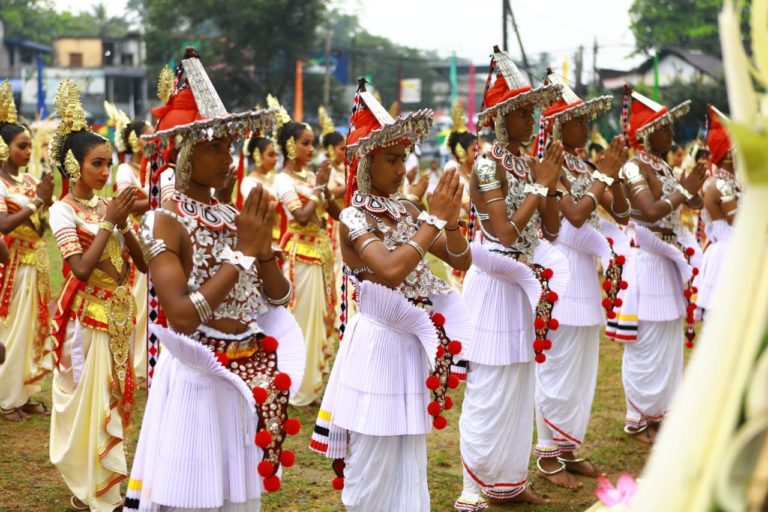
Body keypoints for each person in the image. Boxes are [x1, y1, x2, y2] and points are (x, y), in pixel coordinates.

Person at [124, 49, 305, 512]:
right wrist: (242, 251)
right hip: (197, 374)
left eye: (230, 146)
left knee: (235, 495)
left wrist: (262, 251)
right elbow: (181, 317)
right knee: (195, 493)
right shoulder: (164, 222)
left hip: (246, 370)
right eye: (216, 147)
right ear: (186, 151)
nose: (229, 157)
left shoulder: (231, 214)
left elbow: (280, 297)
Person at [309, 79, 472, 512]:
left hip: (409, 344)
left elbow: (461, 260)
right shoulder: (351, 216)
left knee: (406, 448)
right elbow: (389, 271)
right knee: (374, 452)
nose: (402, 170)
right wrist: (433, 219)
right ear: (366, 163)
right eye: (392, 160)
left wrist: (449, 222)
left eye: (404, 159)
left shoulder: (412, 210)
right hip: (378, 341)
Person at [455, 46, 564, 510]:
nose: (532, 120)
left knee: (520, 385)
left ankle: (510, 481)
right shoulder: (486, 164)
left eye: (533, 111)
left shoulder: (529, 162)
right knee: (489, 385)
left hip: (522, 284)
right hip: (495, 281)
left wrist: (550, 182)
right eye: (522, 112)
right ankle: (473, 487)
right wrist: (540, 185)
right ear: (501, 117)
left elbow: (554, 227)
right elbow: (502, 230)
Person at [48, 79, 147, 512]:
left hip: (123, 314)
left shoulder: (110, 206)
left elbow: (141, 264)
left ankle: (105, 483)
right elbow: (81, 269)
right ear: (74, 167)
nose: (106, 173)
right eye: (97, 165)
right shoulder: (62, 210)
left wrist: (123, 222)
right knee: (97, 400)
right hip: (90, 319)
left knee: (117, 398)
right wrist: (109, 222)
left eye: (108, 164)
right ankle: (95, 488)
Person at [533, 71, 630, 488]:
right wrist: (602, 176)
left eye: (586, 118)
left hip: (585, 277)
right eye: (578, 119)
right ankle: (547, 455)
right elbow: (572, 215)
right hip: (561, 270)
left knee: (582, 368)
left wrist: (615, 172)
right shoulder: (549, 165)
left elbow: (622, 213)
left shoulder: (584, 164)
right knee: (556, 367)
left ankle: (570, 448)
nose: (586, 126)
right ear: (557, 125)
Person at [611, 88, 707, 444]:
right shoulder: (633, 166)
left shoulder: (664, 165)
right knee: (647, 342)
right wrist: (683, 190)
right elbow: (649, 211)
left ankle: (664, 412)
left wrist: (694, 186)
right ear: (649, 133)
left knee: (668, 339)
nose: (671, 134)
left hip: (670, 260)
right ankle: (640, 418)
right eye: (665, 128)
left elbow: (690, 201)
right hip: (649, 261)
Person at [272, 96, 341, 407]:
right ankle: (297, 386)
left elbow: (335, 211)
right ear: (289, 146)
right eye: (305, 143)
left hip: (322, 256)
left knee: (319, 320)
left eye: (312, 143)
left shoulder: (313, 178)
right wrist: (318, 188)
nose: (311, 150)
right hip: (300, 257)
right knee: (302, 321)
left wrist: (327, 186)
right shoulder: (283, 179)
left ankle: (311, 385)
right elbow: (300, 216)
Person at [0, 80, 55, 422]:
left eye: (29, 145)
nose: (27, 151)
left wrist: (44, 203)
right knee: (14, 330)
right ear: (4, 148)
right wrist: (37, 202)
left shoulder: (29, 182)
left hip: (37, 261)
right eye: (22, 146)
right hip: (13, 264)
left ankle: (25, 393)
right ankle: (6, 397)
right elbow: (3, 226)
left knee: (34, 328)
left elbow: (42, 226)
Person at [106, 102, 155, 387]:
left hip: (154, 236)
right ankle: (136, 365)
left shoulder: (154, 168)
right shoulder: (126, 169)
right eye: (147, 136)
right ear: (135, 140)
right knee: (137, 301)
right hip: (135, 238)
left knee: (151, 300)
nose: (151, 140)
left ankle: (147, 360)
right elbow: (125, 204)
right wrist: (158, 197)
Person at [696, 105, 740, 315]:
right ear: (730, 153)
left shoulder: (734, 183)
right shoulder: (721, 185)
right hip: (728, 257)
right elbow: (740, 222)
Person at [443, 99, 476, 290]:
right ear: (460, 152)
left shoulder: (476, 172)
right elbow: (469, 208)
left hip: (477, 231)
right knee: (464, 287)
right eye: (474, 150)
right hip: (461, 234)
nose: (478, 153)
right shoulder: (454, 175)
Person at [241, 134, 284, 244]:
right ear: (257, 156)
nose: (275, 159)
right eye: (271, 155)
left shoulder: (277, 179)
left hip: (281, 236)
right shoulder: (249, 182)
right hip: (260, 237)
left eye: (276, 155)